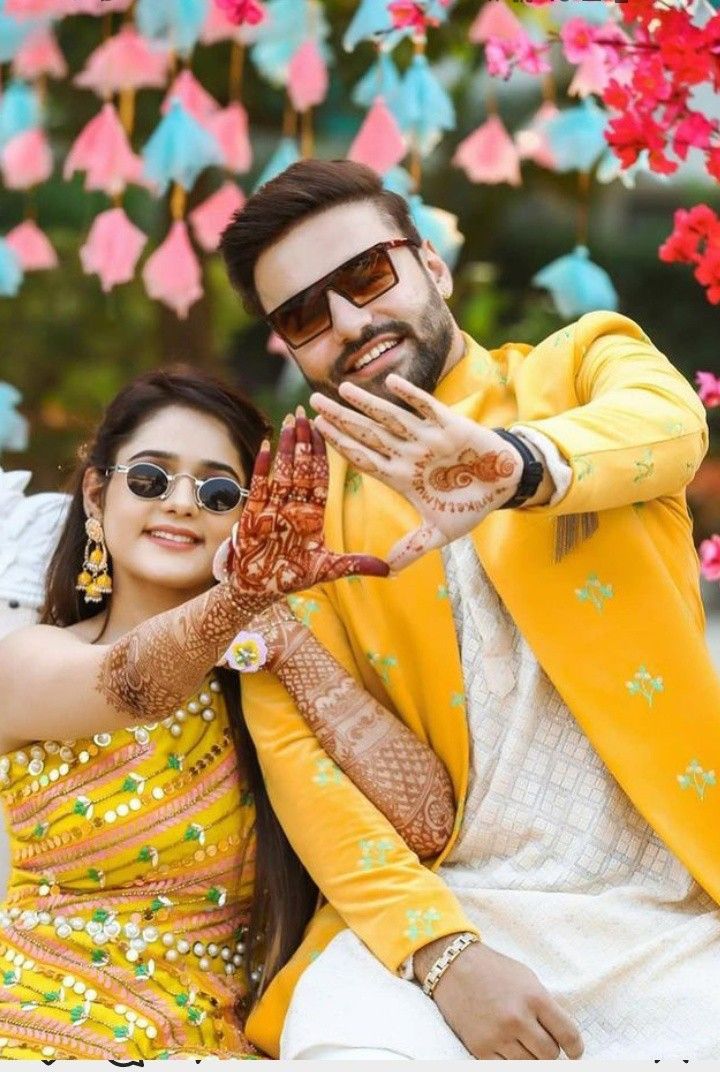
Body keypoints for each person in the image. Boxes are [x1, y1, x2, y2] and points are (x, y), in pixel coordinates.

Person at [219, 158, 720, 1061]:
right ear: (289, 347)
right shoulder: (300, 519)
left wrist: (514, 466)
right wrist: (441, 955)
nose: (348, 323)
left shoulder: (577, 370)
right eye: (304, 314)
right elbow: (301, 761)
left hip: (676, 909)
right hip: (447, 917)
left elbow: (672, 426)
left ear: (431, 268)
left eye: (367, 275)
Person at [0, 367, 457, 1059]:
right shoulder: (30, 658)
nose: (182, 502)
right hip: (38, 1032)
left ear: (251, 516)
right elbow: (133, 687)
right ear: (97, 494)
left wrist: (287, 640)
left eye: (218, 491)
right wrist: (240, 602)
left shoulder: (266, 685)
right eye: (150, 478)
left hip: (221, 1047)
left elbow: (426, 823)